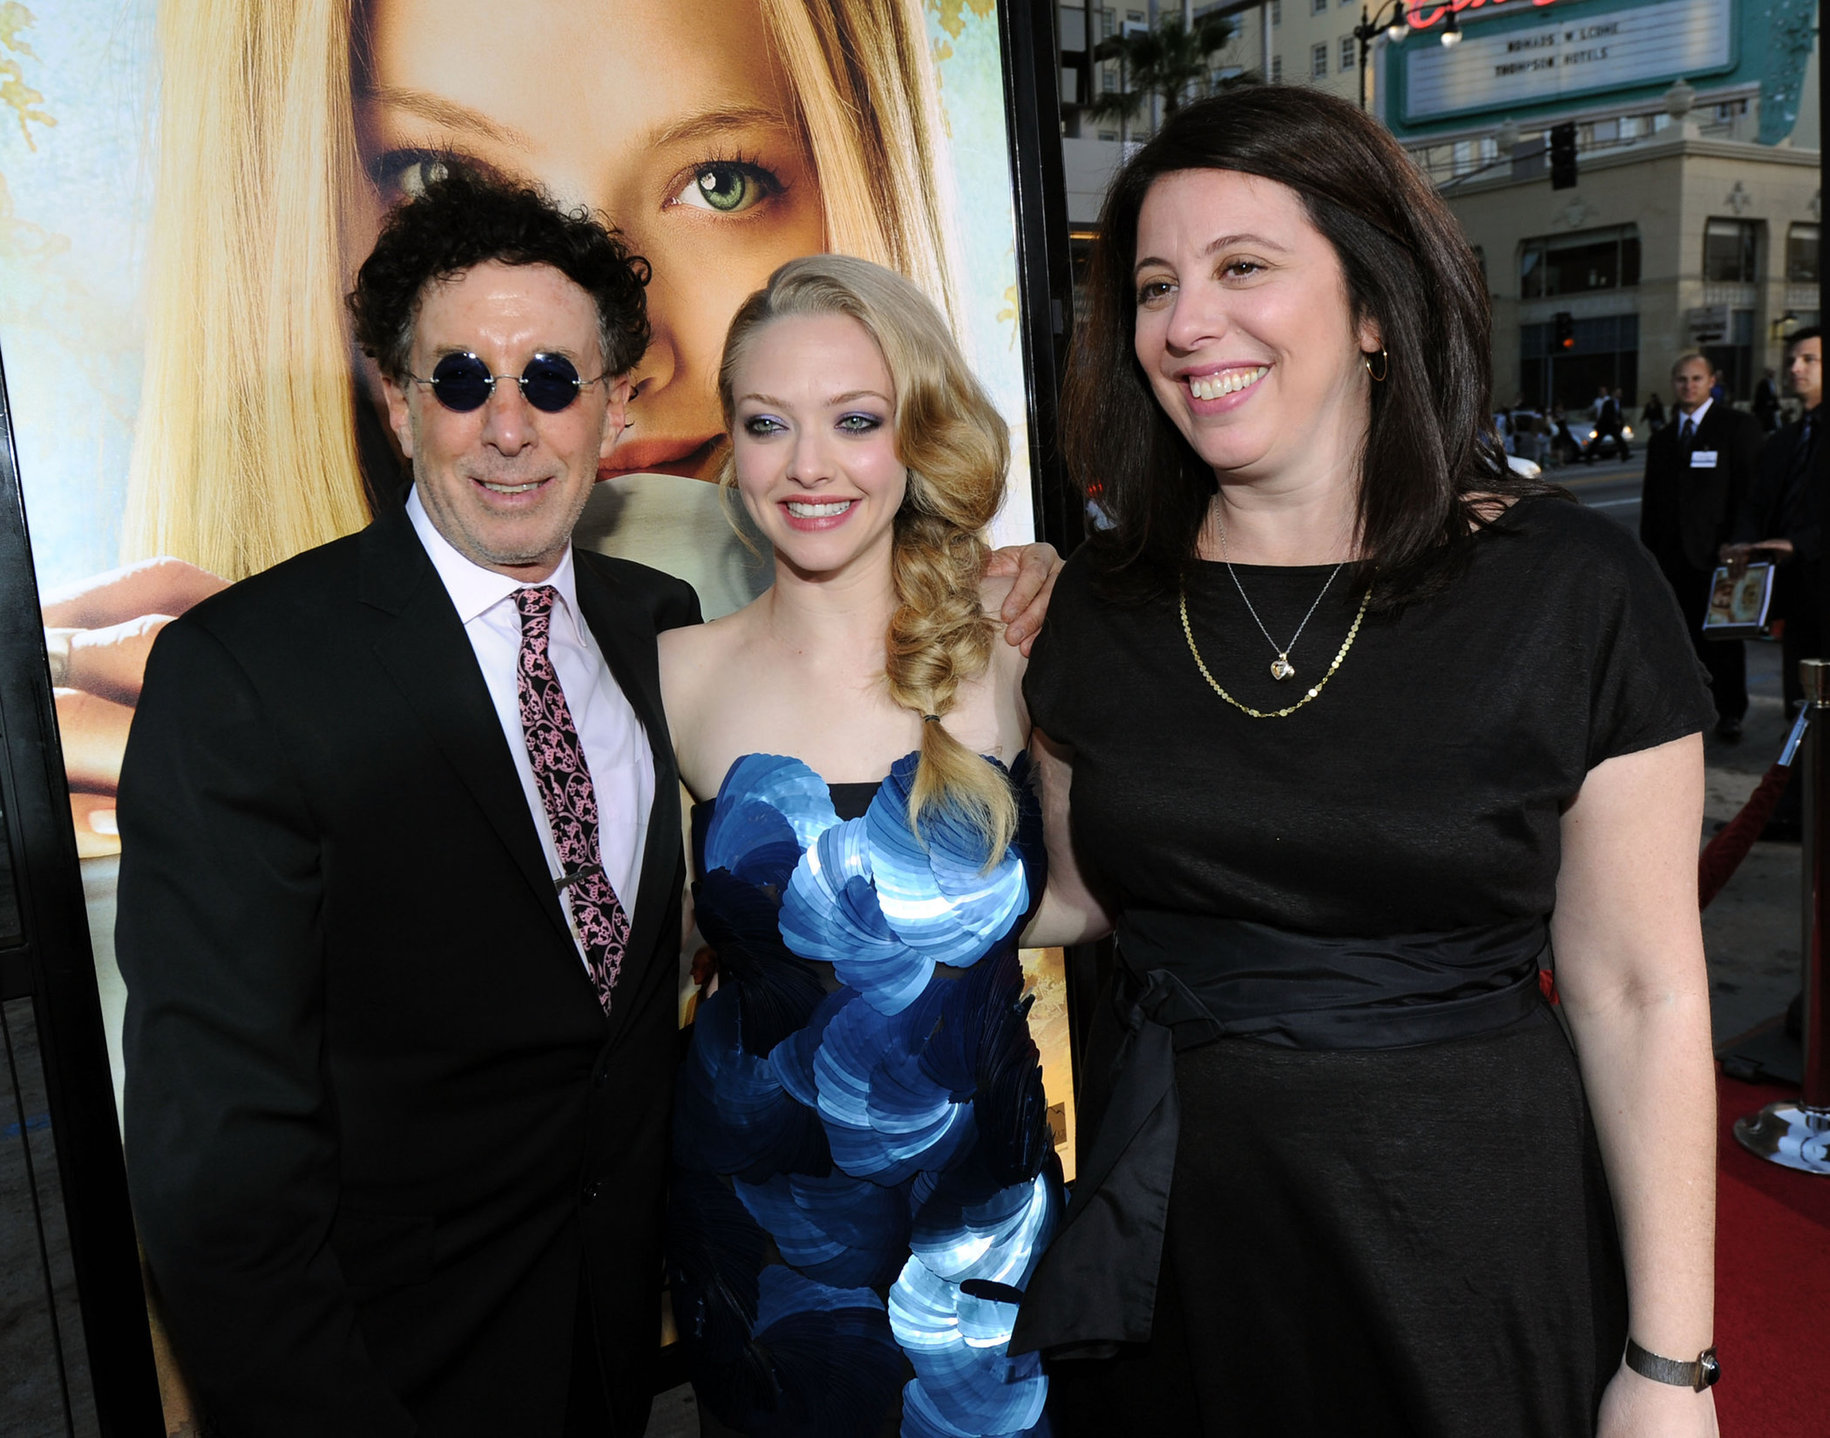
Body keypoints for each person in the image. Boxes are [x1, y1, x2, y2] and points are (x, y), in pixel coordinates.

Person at [116, 175, 1061, 1437]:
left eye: (551, 380)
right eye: (462, 379)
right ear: (397, 402)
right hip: (387, 1365)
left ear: (615, 407)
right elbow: (213, 1159)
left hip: (636, 1326)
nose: (509, 427)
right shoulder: (245, 672)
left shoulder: (648, 629)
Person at [1008, 88, 1720, 1437]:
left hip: (1466, 1243)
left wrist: (1671, 1366)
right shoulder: (1098, 602)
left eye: (1242, 268)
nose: (1185, 322)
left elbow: (1640, 992)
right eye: (1155, 285)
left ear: (1376, 309)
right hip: (1182, 1246)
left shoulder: (1570, 591)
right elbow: (1076, 898)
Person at [49, 0, 1008, 846]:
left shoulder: (657, 639)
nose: (617, 355)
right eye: (437, 178)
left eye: (722, 181)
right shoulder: (234, 691)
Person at [659, 254, 1067, 1437]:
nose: (809, 465)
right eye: (767, 423)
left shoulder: (1014, 648)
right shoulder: (674, 673)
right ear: (732, 446)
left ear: (917, 435)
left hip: (980, 1227)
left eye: (855, 420)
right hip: (755, 1227)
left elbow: (1085, 902)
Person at [1640, 352, 1764, 740]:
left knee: (1723, 640)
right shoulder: (1662, 439)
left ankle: (1730, 712)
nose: (1688, 386)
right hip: (1671, 558)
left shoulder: (1736, 427)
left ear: (1712, 381)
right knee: (1679, 641)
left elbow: (1750, 492)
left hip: (1718, 556)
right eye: (1681, 379)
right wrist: (1646, 558)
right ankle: (1690, 714)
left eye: (1696, 378)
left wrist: (1741, 541)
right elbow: (1652, 504)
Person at [1754, 366, 1781, 432]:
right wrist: (1768, 401)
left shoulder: (1772, 383)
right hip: (1765, 409)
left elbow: (1774, 394)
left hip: (1772, 408)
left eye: (1774, 372)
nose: (1773, 374)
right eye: (1771, 372)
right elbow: (1761, 396)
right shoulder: (1763, 383)